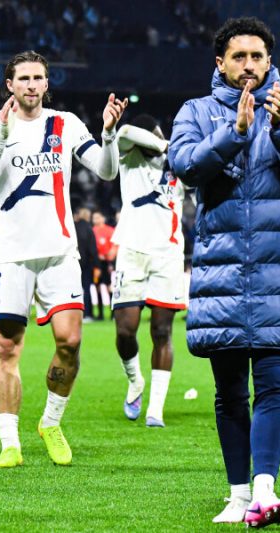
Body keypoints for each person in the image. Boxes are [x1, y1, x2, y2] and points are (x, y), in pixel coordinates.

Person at [168, 17, 280, 527]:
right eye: (239, 56)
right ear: (221, 63)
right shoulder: (196, 112)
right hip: (223, 272)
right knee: (231, 391)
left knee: (274, 385)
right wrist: (234, 132)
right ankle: (237, 495)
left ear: (270, 61)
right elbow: (186, 166)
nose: (249, 65)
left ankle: (263, 490)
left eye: (257, 56)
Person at [0, 50, 127, 469]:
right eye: (23, 78)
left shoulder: (65, 123)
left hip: (59, 252)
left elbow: (107, 171)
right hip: (11, 255)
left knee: (70, 343)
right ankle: (9, 444)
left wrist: (109, 133)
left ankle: (51, 423)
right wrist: (3, 133)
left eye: (38, 77)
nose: (32, 85)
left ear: (46, 83)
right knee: (7, 347)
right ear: (10, 84)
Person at [110, 113, 186, 428]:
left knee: (162, 331)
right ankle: (135, 380)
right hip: (131, 251)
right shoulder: (130, 158)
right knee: (125, 330)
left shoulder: (178, 165)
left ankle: (156, 409)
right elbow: (125, 131)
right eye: (153, 135)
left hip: (168, 254)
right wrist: (164, 144)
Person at [73, 207, 98, 323]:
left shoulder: (73, 227)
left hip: (74, 262)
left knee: (74, 289)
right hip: (86, 264)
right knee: (86, 289)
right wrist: (97, 265)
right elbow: (92, 249)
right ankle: (88, 314)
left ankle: (75, 314)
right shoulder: (88, 228)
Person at [92, 210, 115, 319]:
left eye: (97, 217)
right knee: (97, 286)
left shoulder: (109, 230)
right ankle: (100, 314)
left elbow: (113, 246)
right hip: (96, 263)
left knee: (108, 286)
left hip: (106, 262)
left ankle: (113, 313)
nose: (95, 220)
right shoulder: (92, 231)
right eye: (94, 218)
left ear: (103, 218)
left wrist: (109, 258)